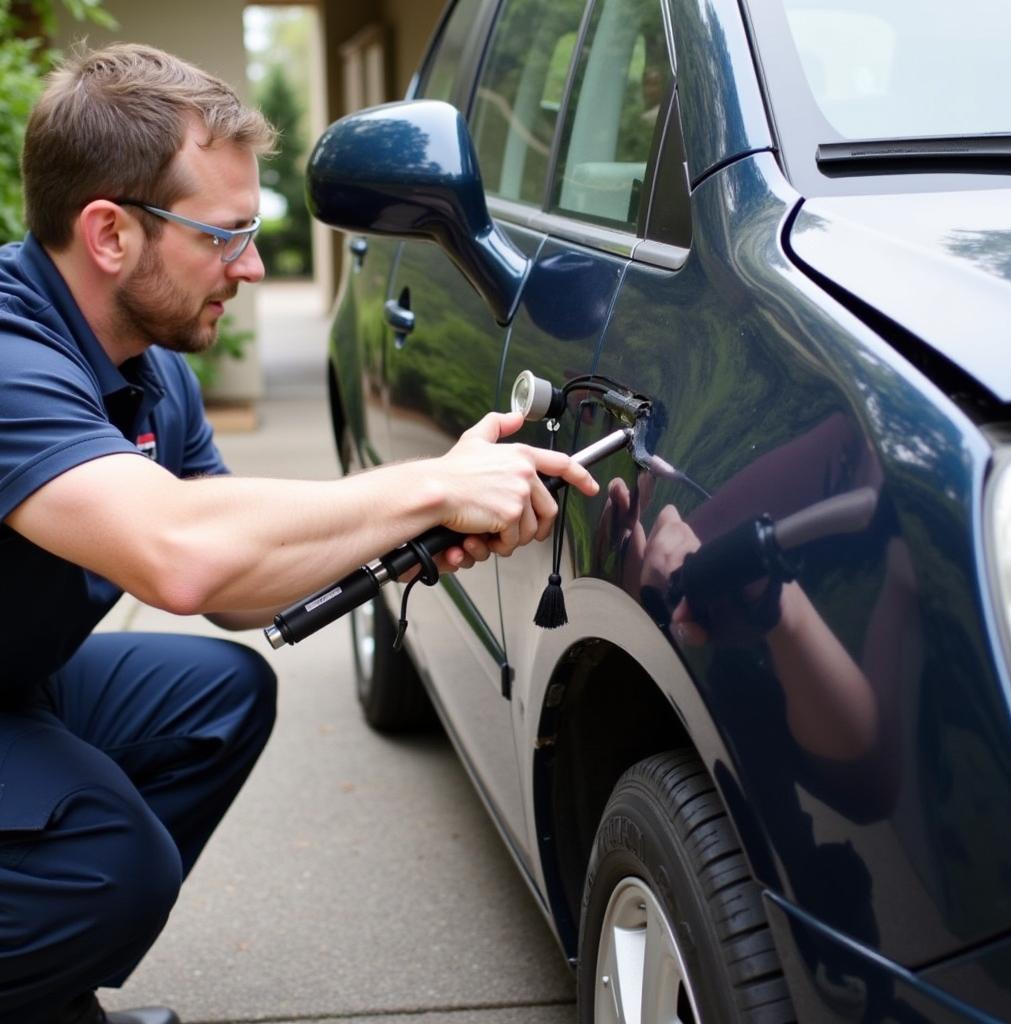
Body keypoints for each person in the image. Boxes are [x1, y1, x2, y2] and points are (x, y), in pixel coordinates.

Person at [0, 43, 598, 1024]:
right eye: (223, 235)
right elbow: (181, 556)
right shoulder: (11, 357)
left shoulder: (152, 372)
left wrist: (414, 528)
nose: (249, 266)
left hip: (16, 677)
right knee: (115, 863)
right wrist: (423, 481)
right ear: (108, 233)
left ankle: (36, 983)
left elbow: (240, 591)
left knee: (217, 698)